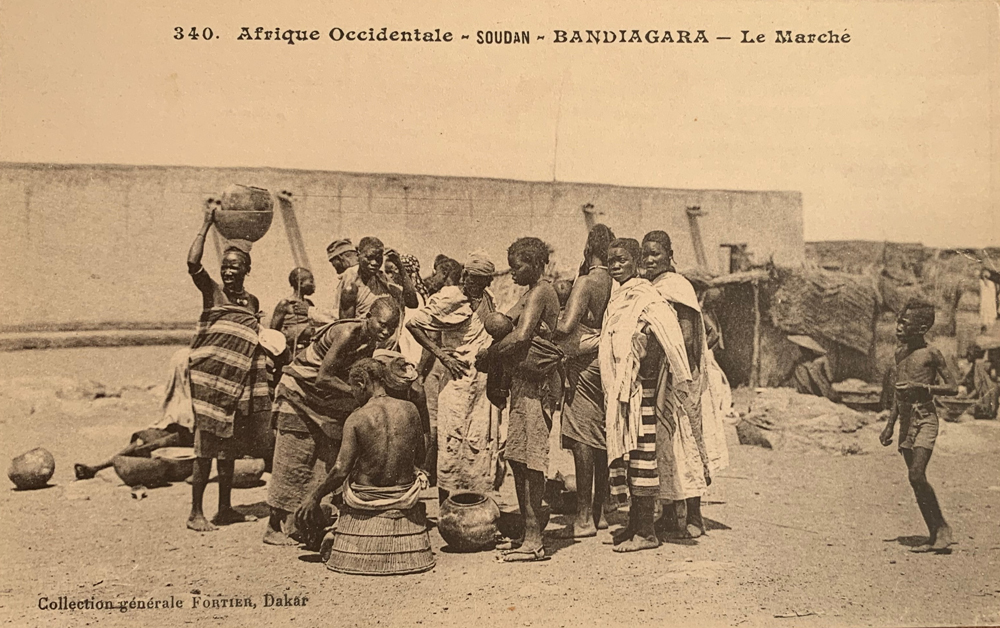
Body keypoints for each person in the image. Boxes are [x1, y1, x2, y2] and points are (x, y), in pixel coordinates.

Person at [263, 297, 401, 545]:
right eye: (382, 324)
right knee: (292, 459)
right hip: (299, 391)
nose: (386, 331)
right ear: (369, 316)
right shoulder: (349, 333)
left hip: (323, 401)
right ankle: (273, 526)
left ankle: (299, 525)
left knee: (324, 461)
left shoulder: (371, 338)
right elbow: (323, 378)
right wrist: (358, 394)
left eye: (392, 327)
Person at [600, 238, 696, 553]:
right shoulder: (619, 296)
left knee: (642, 459)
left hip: (641, 389)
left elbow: (669, 332)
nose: (615, 265)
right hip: (618, 391)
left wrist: (655, 367)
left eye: (622, 260)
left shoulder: (646, 295)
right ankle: (635, 524)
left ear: (637, 261)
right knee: (626, 459)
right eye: (611, 260)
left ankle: (646, 533)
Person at [295, 358, 432, 575]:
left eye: (353, 388)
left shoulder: (356, 418)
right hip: (404, 494)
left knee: (330, 495)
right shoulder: (410, 410)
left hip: (367, 497)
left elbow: (340, 469)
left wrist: (314, 496)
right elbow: (422, 455)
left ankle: (332, 531)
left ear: (361, 382)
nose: (353, 395)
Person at [185, 203, 272, 532]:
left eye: (235, 267)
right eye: (225, 266)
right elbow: (193, 263)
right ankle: (195, 512)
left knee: (229, 449)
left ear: (246, 270)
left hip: (237, 387)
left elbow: (250, 341)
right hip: (211, 386)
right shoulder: (213, 293)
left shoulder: (252, 303)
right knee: (205, 449)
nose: (229, 271)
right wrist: (206, 223)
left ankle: (224, 508)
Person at [477, 237, 561, 563]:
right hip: (521, 384)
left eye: (518, 267)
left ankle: (535, 540)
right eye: (510, 267)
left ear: (537, 264)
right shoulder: (528, 293)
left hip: (537, 386)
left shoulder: (542, 291)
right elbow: (500, 323)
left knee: (532, 461)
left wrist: (489, 355)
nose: (512, 273)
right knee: (517, 458)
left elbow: (522, 335)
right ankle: (529, 532)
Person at [641, 230, 729, 538]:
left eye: (655, 253)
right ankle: (668, 513)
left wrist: (682, 373)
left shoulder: (677, 287)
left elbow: (690, 334)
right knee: (665, 447)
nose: (649, 259)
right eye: (645, 254)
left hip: (682, 378)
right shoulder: (651, 289)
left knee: (687, 444)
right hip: (659, 377)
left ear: (669, 254)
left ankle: (694, 515)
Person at [406, 253, 502, 504]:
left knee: (480, 443)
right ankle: (447, 508)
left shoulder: (488, 299)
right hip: (457, 383)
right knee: (451, 443)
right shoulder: (450, 297)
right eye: (475, 278)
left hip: (482, 385)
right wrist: (442, 356)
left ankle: (476, 506)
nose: (480, 284)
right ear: (465, 275)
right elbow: (414, 324)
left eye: (485, 280)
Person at [547, 224, 615, 539]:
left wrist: (543, 323)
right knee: (600, 434)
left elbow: (567, 326)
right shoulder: (616, 280)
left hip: (585, 364)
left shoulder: (588, 282)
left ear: (589, 249)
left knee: (581, 439)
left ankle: (584, 518)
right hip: (609, 359)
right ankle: (601, 512)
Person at [879, 299, 958, 553]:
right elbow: (897, 393)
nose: (898, 326)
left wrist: (923, 388)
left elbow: (953, 387)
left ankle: (943, 527)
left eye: (905, 322)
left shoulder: (932, 354)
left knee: (916, 474)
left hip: (925, 419)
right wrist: (890, 425)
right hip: (905, 422)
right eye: (898, 321)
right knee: (916, 481)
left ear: (922, 327)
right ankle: (935, 533)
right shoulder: (899, 353)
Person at [74, 348, 195, 480]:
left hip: (190, 438)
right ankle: (98, 467)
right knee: (144, 438)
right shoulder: (180, 394)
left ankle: (100, 466)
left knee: (155, 444)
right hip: (180, 431)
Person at [340, 237, 418, 349]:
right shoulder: (351, 286)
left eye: (378, 259)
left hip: (387, 351)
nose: (374, 263)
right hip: (363, 352)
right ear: (358, 255)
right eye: (369, 258)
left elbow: (412, 302)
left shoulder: (383, 280)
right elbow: (345, 330)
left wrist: (400, 266)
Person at [270, 267, 317, 358]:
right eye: (311, 281)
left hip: (308, 350)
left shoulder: (309, 304)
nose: (313, 285)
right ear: (300, 283)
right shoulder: (285, 304)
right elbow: (273, 330)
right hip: (290, 352)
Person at [782, 335, 841, 403]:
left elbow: (828, 377)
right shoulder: (800, 361)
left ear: (809, 350)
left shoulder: (819, 360)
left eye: (804, 350)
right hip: (807, 387)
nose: (802, 351)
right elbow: (790, 374)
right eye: (802, 349)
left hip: (819, 387)